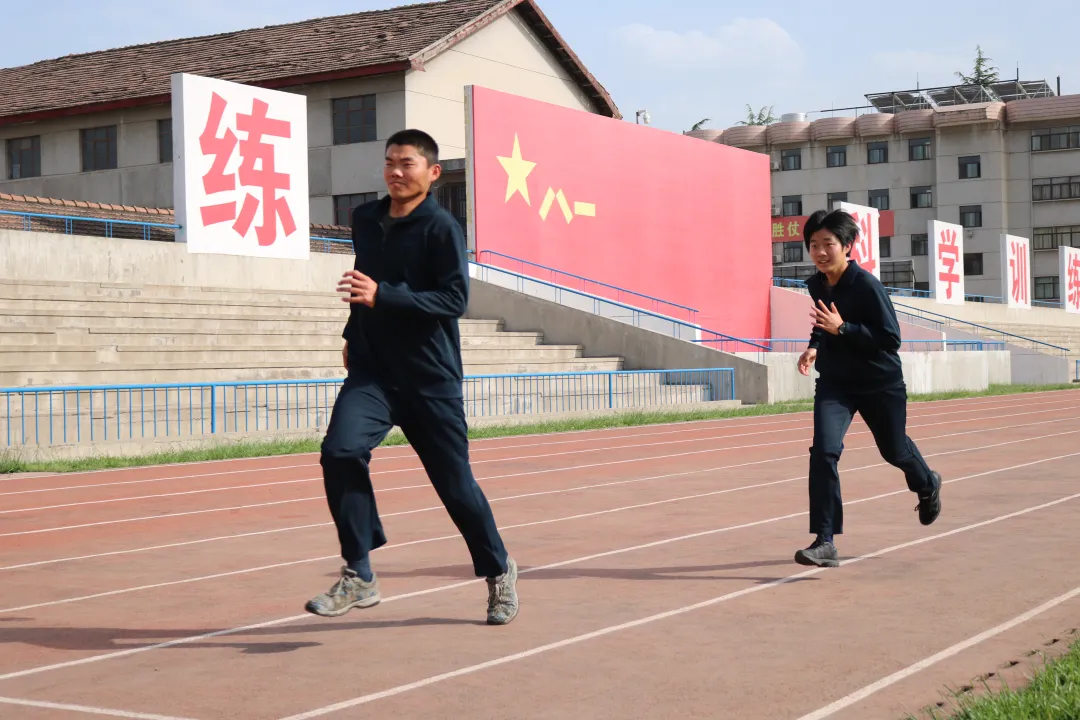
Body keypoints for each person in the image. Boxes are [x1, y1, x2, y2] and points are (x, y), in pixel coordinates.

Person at [305, 129, 519, 625]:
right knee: (339, 451)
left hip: (430, 379)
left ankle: (499, 570)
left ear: (432, 172)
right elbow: (363, 281)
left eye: (407, 164)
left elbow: (453, 300)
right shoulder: (365, 219)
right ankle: (359, 572)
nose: (396, 172)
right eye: (389, 163)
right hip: (374, 371)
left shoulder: (441, 228)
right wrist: (350, 332)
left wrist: (387, 297)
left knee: (455, 486)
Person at [793, 208, 942, 568]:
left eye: (828, 244)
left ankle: (926, 484)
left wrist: (844, 329)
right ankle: (825, 540)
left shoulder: (866, 285)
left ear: (846, 245)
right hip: (836, 384)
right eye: (813, 245)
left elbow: (891, 338)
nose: (820, 252)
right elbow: (822, 320)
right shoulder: (816, 283)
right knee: (824, 453)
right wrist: (815, 344)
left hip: (880, 384)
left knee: (894, 451)